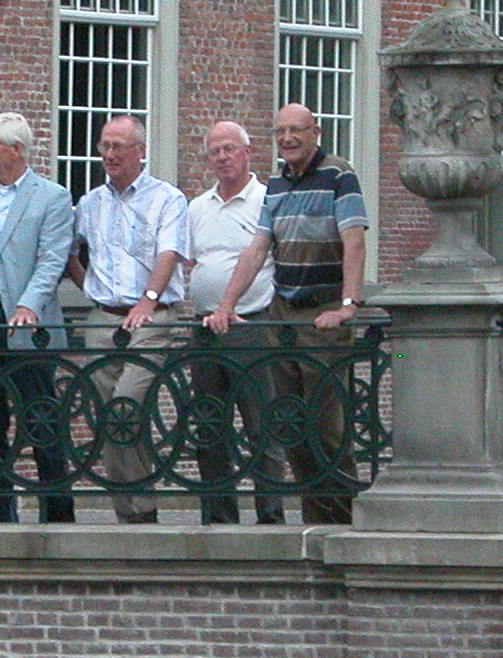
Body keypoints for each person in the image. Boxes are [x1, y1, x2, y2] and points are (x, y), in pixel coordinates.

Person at [201, 103, 368, 524]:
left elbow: (354, 241)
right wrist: (226, 306)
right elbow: (257, 248)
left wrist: (348, 305)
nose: (288, 139)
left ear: (316, 132)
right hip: (283, 315)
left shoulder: (339, 174)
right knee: (290, 422)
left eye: (296, 130)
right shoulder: (276, 185)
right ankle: (315, 517)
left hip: (323, 313)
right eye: (281, 132)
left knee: (327, 427)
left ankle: (342, 519)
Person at [0, 113, 76, 524]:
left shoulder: (52, 197)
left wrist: (28, 305)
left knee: (40, 418)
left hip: (28, 325)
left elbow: (52, 260)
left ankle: (57, 515)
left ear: (18, 149)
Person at [73, 115, 191, 524]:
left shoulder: (167, 198)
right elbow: (69, 251)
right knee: (107, 415)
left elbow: (169, 253)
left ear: (140, 151)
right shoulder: (90, 203)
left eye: (118, 146)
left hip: (151, 318)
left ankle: (139, 507)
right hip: (102, 318)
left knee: (126, 405)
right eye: (104, 146)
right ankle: (133, 509)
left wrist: (148, 300)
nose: (109, 155)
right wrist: (89, 288)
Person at [183, 119, 287, 526]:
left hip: (251, 324)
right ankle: (219, 517)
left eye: (229, 149)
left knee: (262, 424)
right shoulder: (197, 207)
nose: (222, 157)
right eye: (215, 151)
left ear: (248, 152)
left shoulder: (268, 200)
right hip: (205, 328)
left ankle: (270, 516)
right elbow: (194, 261)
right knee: (209, 426)